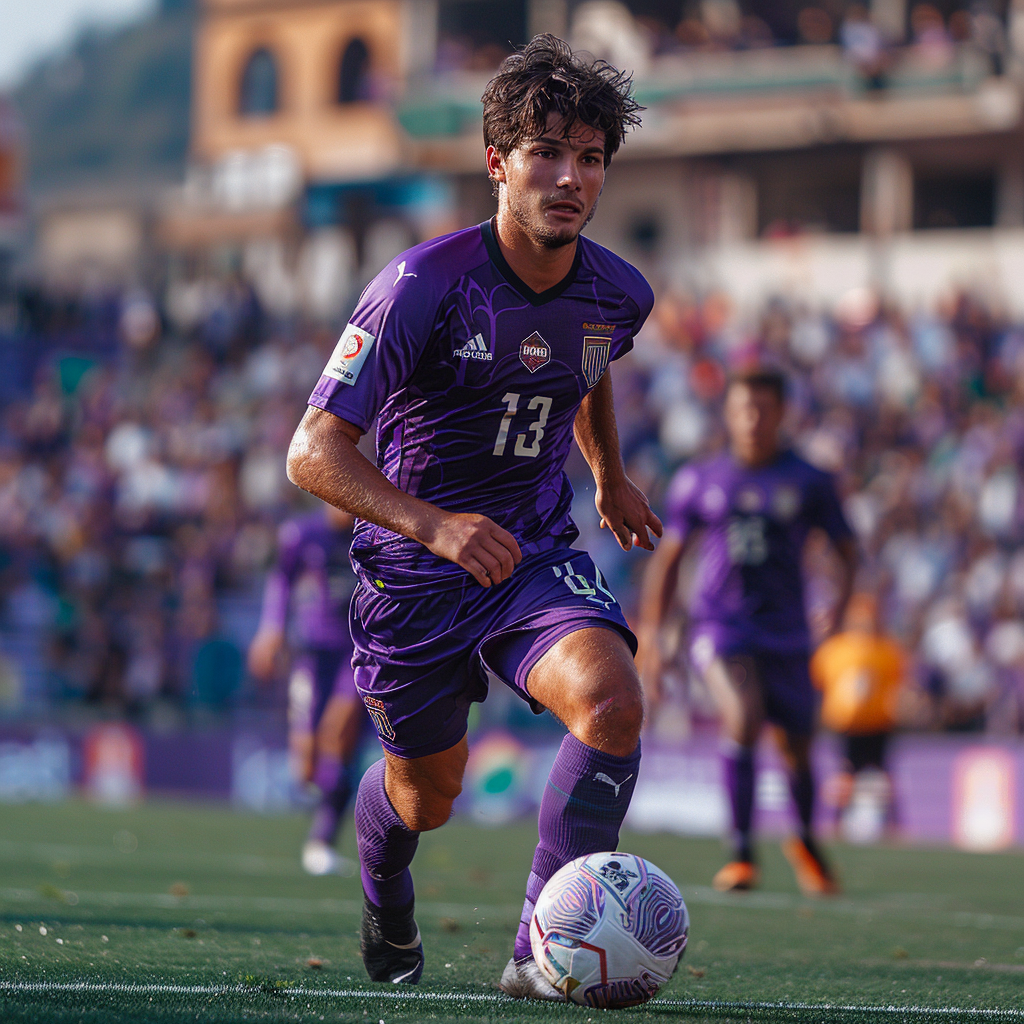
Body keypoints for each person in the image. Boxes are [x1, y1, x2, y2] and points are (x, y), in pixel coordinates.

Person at [286, 34, 659, 998]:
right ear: (498, 163)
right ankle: (383, 886)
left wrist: (609, 474)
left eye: (591, 158)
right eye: (548, 154)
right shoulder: (422, 287)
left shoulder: (621, 292)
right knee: (428, 796)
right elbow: (312, 452)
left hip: (531, 551)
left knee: (613, 700)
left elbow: (590, 365)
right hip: (412, 576)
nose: (570, 178)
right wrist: (432, 525)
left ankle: (543, 953)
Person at [638, 367, 857, 896]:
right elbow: (670, 558)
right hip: (719, 627)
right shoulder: (701, 479)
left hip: (787, 632)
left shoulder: (810, 480)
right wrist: (654, 630)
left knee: (799, 745)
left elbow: (847, 548)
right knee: (744, 714)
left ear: (782, 413)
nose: (752, 420)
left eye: (763, 409)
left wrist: (840, 607)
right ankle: (740, 853)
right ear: (729, 414)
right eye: (742, 409)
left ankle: (803, 838)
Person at [247, 503, 365, 876]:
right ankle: (324, 823)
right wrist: (272, 629)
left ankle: (322, 840)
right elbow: (281, 580)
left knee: (339, 734)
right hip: (312, 653)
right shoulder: (302, 534)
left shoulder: (377, 532)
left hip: (360, 652)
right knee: (308, 765)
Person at [811, 592, 906, 839]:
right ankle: (837, 823)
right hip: (845, 725)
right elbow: (819, 683)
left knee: (883, 778)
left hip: (877, 723)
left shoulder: (887, 650)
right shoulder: (835, 650)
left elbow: (897, 686)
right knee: (845, 776)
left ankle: (892, 826)